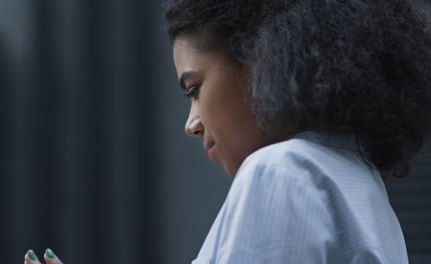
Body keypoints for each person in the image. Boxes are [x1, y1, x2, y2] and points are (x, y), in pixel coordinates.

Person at [164, 0, 431, 263]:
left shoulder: (281, 173)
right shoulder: (368, 194)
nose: (191, 125)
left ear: (259, 58)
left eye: (194, 90)